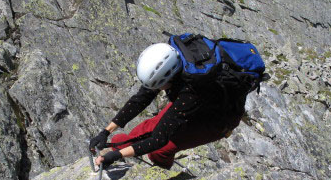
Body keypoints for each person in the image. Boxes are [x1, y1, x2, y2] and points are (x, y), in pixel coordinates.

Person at [90, 42, 247, 169]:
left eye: (159, 86)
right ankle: (124, 147)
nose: (157, 90)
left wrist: (117, 156)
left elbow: (159, 139)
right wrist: (105, 132)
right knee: (137, 133)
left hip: (217, 120)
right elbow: (140, 99)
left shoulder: (192, 89)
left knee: (160, 150)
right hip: (198, 102)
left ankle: (161, 175)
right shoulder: (170, 60)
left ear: (170, 78)